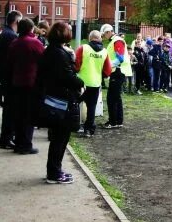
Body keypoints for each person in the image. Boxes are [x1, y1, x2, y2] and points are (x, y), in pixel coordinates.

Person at [37, 22, 85, 184]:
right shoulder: (59, 54)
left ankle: (55, 170)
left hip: (55, 98)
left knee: (59, 138)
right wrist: (80, 82)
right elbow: (66, 77)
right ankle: (54, 173)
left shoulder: (52, 51)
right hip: (61, 101)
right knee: (60, 138)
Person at [7, 18, 44, 154]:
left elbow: (9, 62)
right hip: (31, 83)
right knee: (29, 115)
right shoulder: (35, 43)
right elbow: (43, 60)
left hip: (16, 82)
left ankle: (18, 142)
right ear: (31, 29)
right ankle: (26, 145)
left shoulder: (14, 43)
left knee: (19, 113)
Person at [75, 30, 112, 137]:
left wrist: (77, 71)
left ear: (90, 38)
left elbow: (76, 64)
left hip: (81, 83)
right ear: (100, 38)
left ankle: (72, 124)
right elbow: (107, 70)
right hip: (95, 83)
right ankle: (89, 130)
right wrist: (100, 76)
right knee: (92, 107)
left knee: (74, 102)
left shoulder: (83, 48)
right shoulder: (104, 52)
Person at [100, 24, 132, 128]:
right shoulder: (116, 40)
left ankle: (112, 122)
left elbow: (120, 58)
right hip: (119, 71)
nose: (104, 37)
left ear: (108, 32)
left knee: (111, 98)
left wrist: (107, 66)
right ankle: (118, 121)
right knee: (117, 97)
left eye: (104, 35)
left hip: (118, 71)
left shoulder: (117, 41)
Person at [0, 10, 22, 149]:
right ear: (16, 22)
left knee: (9, 108)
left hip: (4, 76)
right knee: (11, 110)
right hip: (9, 78)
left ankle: (6, 138)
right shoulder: (11, 36)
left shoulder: (5, 33)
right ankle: (6, 139)